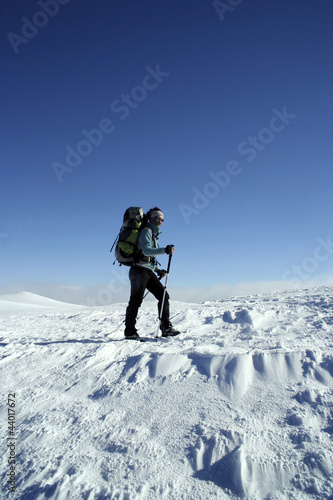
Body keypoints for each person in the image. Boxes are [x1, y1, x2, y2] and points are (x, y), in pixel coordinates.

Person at [124, 207, 180, 340]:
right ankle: (129, 331)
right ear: (150, 218)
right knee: (136, 300)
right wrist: (164, 250)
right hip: (139, 271)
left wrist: (157, 270)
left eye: (162, 219)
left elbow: (149, 258)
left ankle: (166, 328)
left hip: (147, 270)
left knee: (163, 296)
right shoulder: (146, 231)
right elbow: (147, 250)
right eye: (157, 218)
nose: (160, 221)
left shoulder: (153, 233)